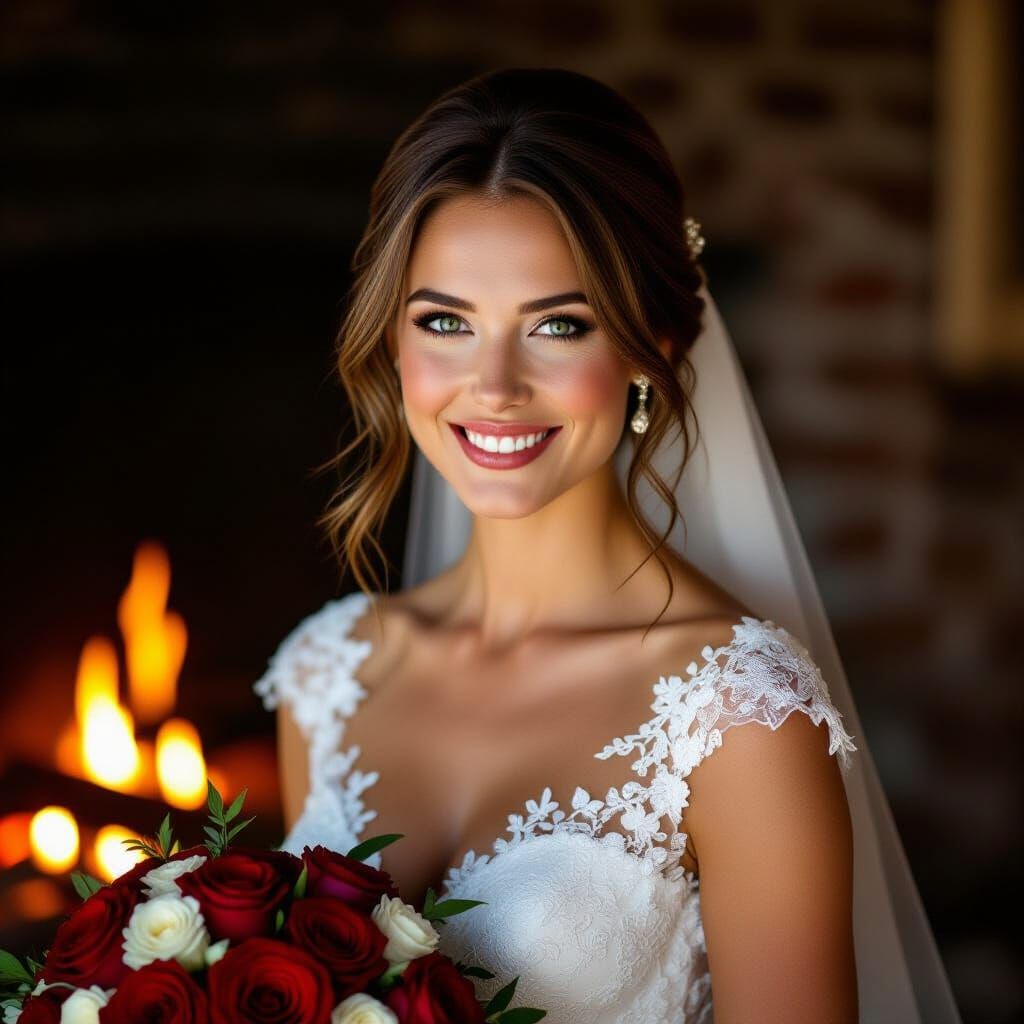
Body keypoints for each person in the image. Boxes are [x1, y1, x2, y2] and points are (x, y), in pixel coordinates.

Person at [253, 68, 961, 1023]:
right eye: (445, 322)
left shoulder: (739, 719)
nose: (493, 385)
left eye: (558, 325)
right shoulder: (327, 676)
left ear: (650, 346)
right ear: (393, 340)